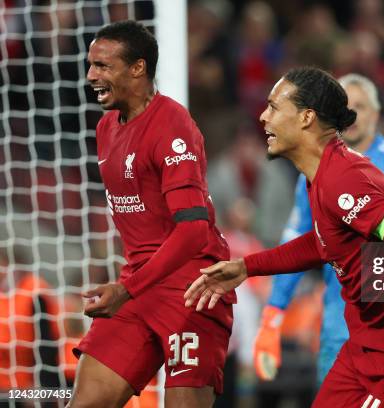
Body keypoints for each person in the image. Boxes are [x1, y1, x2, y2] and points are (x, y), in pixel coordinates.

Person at [185, 67, 384, 407]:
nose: (263, 116)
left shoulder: (346, 179)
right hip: (364, 345)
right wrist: (247, 267)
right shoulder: (319, 176)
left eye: (274, 107)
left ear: (306, 118)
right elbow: (323, 243)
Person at [68, 21, 234, 408]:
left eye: (103, 66)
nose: (91, 75)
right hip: (140, 285)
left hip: (192, 290)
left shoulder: (173, 125)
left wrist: (127, 288)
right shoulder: (107, 127)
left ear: (138, 68)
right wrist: (131, 286)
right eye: (91, 65)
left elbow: (193, 230)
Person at [253, 73, 384, 385]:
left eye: (361, 106)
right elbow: (301, 241)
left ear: (376, 114)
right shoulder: (310, 172)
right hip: (338, 321)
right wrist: (273, 313)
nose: (353, 114)